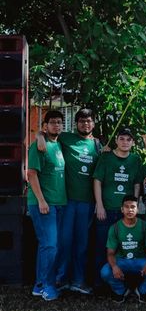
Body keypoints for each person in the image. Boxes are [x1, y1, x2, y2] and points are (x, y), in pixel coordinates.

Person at [37, 108, 101, 295]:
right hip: (66, 201)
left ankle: (79, 281)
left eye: (88, 121)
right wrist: (40, 136)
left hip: (87, 203)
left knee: (82, 244)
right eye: (81, 121)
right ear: (76, 124)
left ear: (93, 123)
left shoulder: (97, 145)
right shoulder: (66, 138)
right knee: (64, 242)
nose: (85, 124)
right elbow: (47, 133)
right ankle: (60, 279)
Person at [93, 127, 142, 288]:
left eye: (129, 139)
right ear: (116, 140)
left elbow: (136, 184)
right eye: (122, 139)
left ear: (133, 142)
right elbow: (97, 181)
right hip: (106, 210)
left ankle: (120, 282)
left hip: (125, 213)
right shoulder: (106, 157)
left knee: (123, 247)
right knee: (102, 246)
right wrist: (99, 205)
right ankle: (100, 284)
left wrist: (134, 207)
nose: (125, 142)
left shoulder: (135, 160)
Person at [27, 110, 67, 301]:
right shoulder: (38, 146)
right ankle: (46, 285)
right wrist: (42, 201)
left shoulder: (58, 144)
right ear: (45, 126)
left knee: (50, 246)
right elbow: (31, 174)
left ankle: (39, 284)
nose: (56, 125)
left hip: (59, 203)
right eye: (52, 123)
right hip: (43, 204)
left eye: (59, 122)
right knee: (50, 245)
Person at [100, 196, 146, 303]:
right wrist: (114, 267)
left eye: (133, 207)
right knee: (105, 272)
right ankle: (121, 291)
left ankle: (141, 291)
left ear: (138, 209)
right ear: (122, 209)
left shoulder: (145, 226)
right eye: (126, 207)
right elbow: (110, 253)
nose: (130, 210)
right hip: (121, 260)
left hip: (139, 260)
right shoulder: (115, 227)